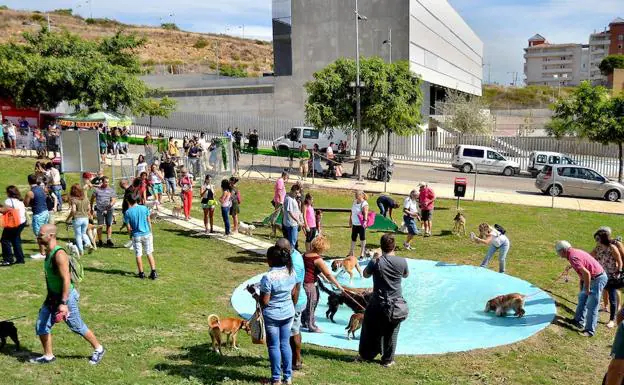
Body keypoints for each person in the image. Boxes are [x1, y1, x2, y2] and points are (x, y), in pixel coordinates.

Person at [29, 224, 105, 365]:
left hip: (65, 297)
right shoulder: (48, 252)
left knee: (76, 325)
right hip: (52, 297)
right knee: (41, 325)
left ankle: (99, 348)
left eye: (41, 235)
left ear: (51, 236)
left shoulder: (59, 255)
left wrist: (63, 304)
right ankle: (48, 355)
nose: (38, 237)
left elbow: (66, 280)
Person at [247, 245, 297, 385]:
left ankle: (276, 379)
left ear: (270, 261)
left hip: (272, 316)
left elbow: (264, 301)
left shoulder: (267, 277)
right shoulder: (291, 272)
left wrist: (253, 293)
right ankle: (288, 377)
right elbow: (293, 292)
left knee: (274, 346)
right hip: (288, 312)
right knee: (285, 344)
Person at [357, 233, 409, 367]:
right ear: (394, 246)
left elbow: (365, 275)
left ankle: (366, 355)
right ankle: (387, 360)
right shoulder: (402, 261)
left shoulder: (376, 262)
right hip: (396, 303)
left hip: (377, 302)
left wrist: (374, 259)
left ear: (381, 246)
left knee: (369, 329)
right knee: (392, 332)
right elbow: (405, 275)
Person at [555, 240, 608, 337]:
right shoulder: (573, 252)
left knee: (592, 306)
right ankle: (578, 321)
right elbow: (583, 261)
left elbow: (587, 273)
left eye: (558, 252)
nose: (558, 254)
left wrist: (587, 288)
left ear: (563, 250)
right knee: (582, 299)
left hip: (597, 279)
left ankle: (589, 331)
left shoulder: (572, 257)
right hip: (592, 278)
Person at [274, 238, 306, 371]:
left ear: (285, 250)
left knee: (294, 332)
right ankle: (295, 357)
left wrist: (290, 307)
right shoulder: (292, 255)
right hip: (293, 301)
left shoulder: (295, 263)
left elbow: (296, 288)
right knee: (294, 330)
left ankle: (296, 361)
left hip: (295, 302)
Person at [302, 235, 344, 332]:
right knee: (311, 304)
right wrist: (338, 286)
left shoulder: (306, 254)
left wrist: (323, 278)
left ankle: (304, 321)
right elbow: (329, 274)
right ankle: (311, 326)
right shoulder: (318, 259)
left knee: (307, 304)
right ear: (321, 248)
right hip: (310, 284)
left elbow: (312, 269)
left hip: (304, 282)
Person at [591, 229, 623, 328]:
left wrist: (618, 271)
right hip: (601, 274)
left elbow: (619, 261)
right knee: (600, 292)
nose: (596, 241)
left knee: (612, 297)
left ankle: (612, 320)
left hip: (611, 275)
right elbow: (590, 255)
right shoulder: (598, 248)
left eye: (597, 238)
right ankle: (604, 307)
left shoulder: (612, 248)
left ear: (602, 239)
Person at [124, 195, 158, 280]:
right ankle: (153, 272)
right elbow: (148, 221)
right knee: (149, 252)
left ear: (129, 201)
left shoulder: (128, 212)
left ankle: (141, 273)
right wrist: (150, 231)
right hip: (146, 233)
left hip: (136, 235)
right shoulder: (144, 208)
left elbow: (128, 227)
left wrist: (130, 235)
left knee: (138, 254)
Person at [24, 174, 50, 259]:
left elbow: (25, 204)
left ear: (28, 181)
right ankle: (48, 250)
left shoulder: (30, 192)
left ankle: (42, 253)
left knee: (39, 235)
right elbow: (45, 196)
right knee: (45, 233)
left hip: (38, 214)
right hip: (45, 211)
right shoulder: (42, 189)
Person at [1, 186, 27, 266]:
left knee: (5, 240)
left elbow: (3, 210)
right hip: (22, 222)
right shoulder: (19, 200)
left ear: (9, 193)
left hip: (14, 223)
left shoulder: (9, 201)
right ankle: (20, 259)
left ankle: (8, 259)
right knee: (16, 240)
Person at [65, 184, 93, 256]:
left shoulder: (74, 200)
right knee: (84, 233)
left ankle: (81, 251)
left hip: (77, 218)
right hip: (85, 218)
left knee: (78, 235)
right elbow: (89, 209)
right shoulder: (86, 199)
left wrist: (69, 218)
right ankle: (89, 244)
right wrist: (87, 214)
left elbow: (73, 210)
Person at [90, 176, 116, 247]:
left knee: (109, 224)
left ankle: (109, 240)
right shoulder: (97, 190)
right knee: (100, 225)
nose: (107, 183)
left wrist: (110, 205)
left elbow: (113, 199)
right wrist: (91, 207)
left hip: (109, 210)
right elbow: (92, 198)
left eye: (108, 181)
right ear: (102, 182)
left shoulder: (111, 190)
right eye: (106, 182)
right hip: (99, 210)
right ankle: (100, 240)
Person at [282, 184, 304, 251]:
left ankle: (290, 254)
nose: (297, 194)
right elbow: (290, 212)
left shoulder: (293, 199)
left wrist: (300, 219)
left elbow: (297, 210)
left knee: (292, 241)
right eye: (296, 193)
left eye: (298, 193)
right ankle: (290, 255)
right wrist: (297, 221)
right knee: (292, 242)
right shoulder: (289, 199)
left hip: (294, 223)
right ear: (292, 191)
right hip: (291, 224)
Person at [348, 190, 369, 259]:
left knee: (362, 238)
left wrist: (365, 221)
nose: (355, 196)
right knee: (353, 238)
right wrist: (350, 220)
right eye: (355, 195)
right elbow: (352, 212)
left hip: (361, 224)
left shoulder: (364, 203)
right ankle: (351, 252)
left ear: (361, 195)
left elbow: (365, 213)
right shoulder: (354, 202)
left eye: (357, 195)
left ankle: (362, 253)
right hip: (354, 224)